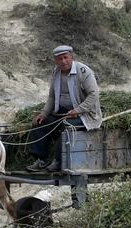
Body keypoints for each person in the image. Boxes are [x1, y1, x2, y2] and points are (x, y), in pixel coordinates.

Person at [26, 44, 104, 173]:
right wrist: (44, 113)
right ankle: (40, 160)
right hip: (64, 112)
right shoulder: (56, 72)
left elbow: (94, 95)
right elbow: (52, 96)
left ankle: (59, 160)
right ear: (55, 60)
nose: (63, 61)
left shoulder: (83, 71)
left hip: (86, 114)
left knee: (65, 125)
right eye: (59, 59)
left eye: (65, 57)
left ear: (71, 57)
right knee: (39, 123)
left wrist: (78, 110)